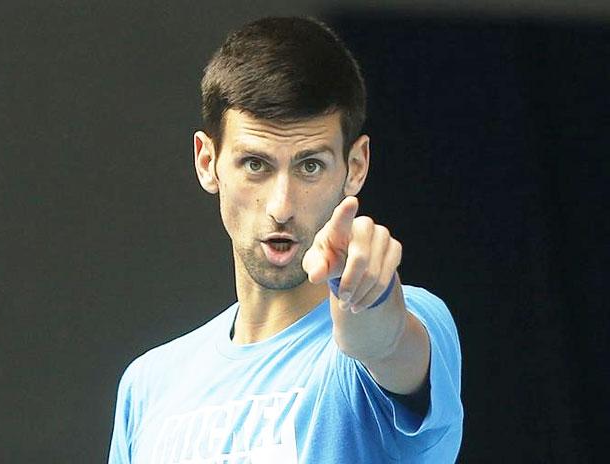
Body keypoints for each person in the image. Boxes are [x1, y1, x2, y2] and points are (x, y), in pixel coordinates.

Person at [108, 16, 463, 463]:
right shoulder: (148, 386)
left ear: (355, 167)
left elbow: (387, 344)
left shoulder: (416, 317)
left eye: (309, 166)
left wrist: (370, 306)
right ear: (207, 161)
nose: (281, 205)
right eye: (256, 164)